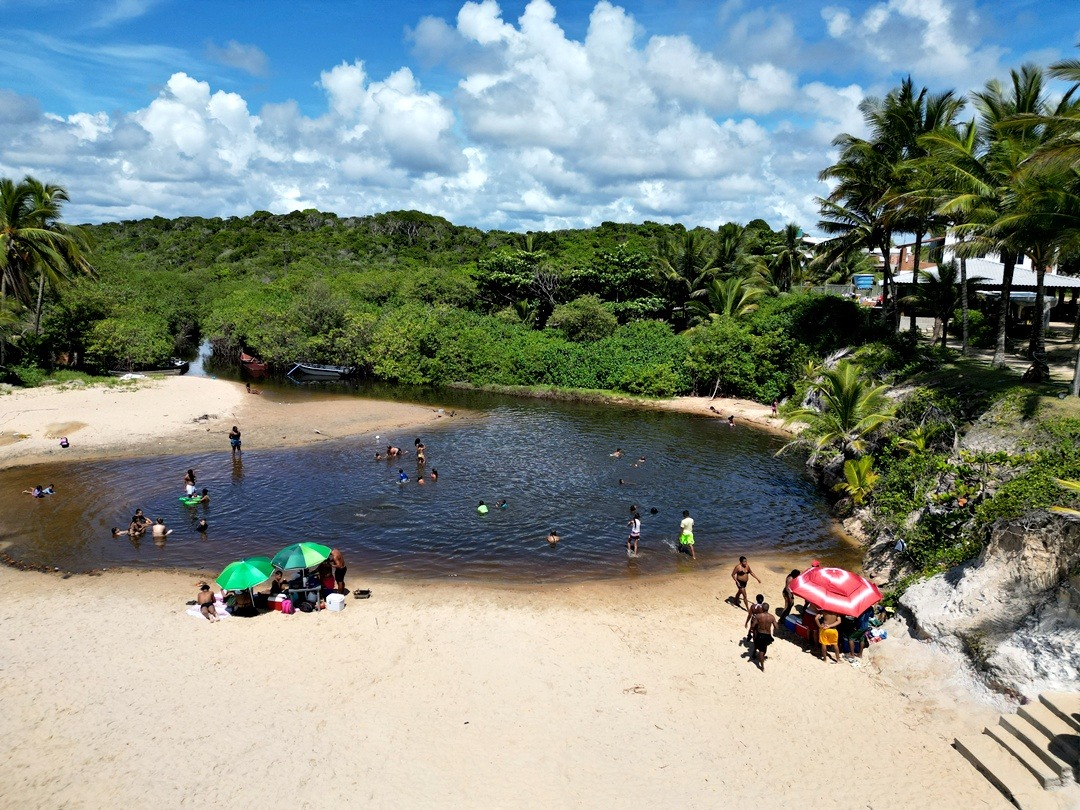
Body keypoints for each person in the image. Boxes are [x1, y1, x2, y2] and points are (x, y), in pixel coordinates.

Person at [752, 604, 778, 671]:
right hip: (767, 635)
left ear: (762, 609)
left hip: (760, 633)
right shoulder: (772, 617)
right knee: (763, 649)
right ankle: (762, 663)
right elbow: (776, 627)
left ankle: (762, 665)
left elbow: (753, 625)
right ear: (768, 609)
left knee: (761, 649)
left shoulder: (758, 616)